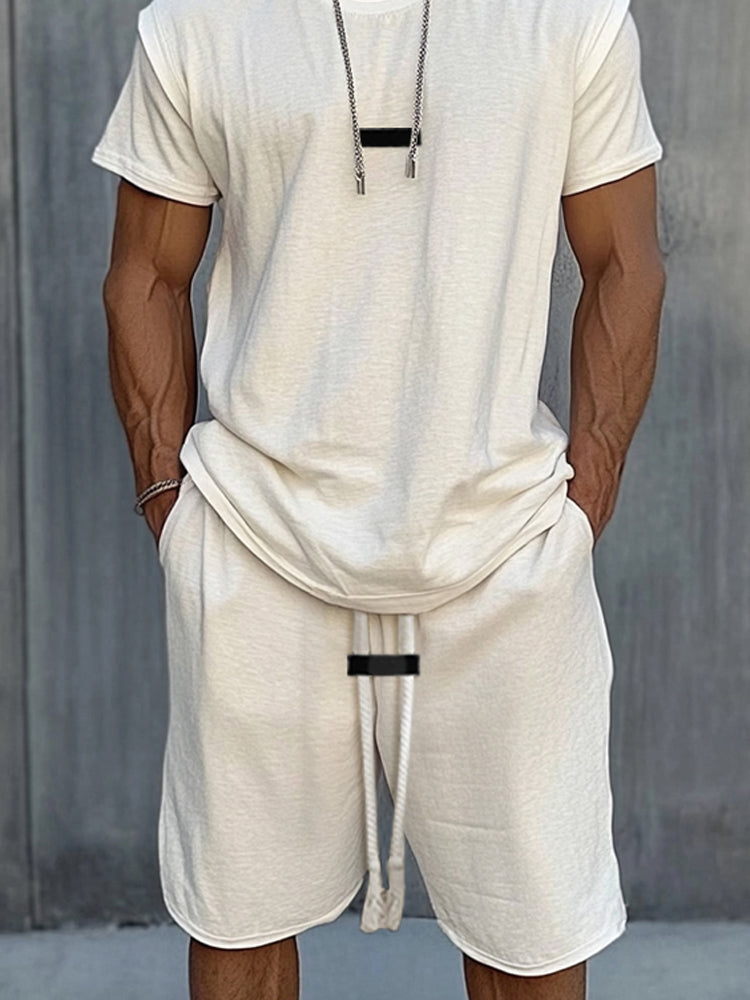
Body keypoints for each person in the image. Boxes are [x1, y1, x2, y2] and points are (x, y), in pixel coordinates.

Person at [90, 0, 666, 996]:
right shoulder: (198, 24)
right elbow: (145, 273)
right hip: (259, 551)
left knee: (529, 942)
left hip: (500, 554)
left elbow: (625, 264)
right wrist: (170, 508)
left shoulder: (571, 17)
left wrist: (583, 506)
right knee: (239, 923)